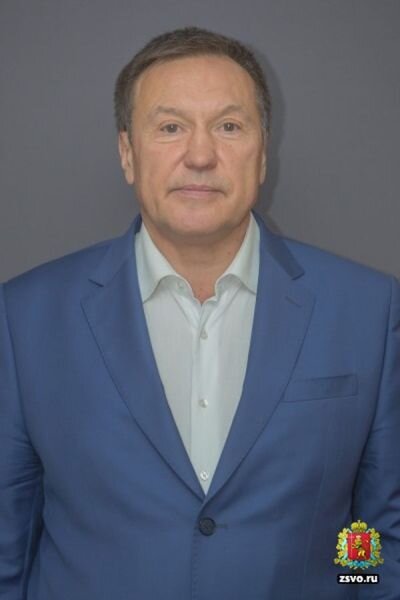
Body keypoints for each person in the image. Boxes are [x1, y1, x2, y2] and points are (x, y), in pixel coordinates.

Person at [0, 26, 399, 600]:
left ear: (263, 153)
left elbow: (376, 531)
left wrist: (360, 583)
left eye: (229, 126)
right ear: (127, 153)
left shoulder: (365, 310)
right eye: (170, 127)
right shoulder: (25, 319)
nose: (201, 155)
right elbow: (8, 545)